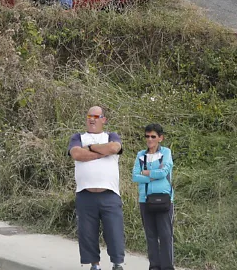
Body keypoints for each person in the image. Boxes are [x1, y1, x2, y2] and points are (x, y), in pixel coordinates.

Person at [68, 106, 125, 270]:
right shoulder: (78, 137)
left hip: (110, 194)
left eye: (96, 116)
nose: (92, 119)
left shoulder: (111, 136)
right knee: (87, 233)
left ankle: (117, 263)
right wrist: (102, 151)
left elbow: (114, 148)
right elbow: (77, 154)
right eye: (89, 116)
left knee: (114, 231)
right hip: (85, 195)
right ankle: (95, 265)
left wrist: (91, 148)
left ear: (103, 119)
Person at [133, 123, 174, 270]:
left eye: (153, 136)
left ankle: (167, 267)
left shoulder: (166, 153)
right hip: (145, 200)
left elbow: (164, 172)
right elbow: (135, 176)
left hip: (164, 199)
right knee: (150, 236)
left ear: (160, 138)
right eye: (147, 136)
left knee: (165, 236)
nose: (149, 139)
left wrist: (147, 173)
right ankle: (154, 266)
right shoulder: (141, 155)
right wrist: (153, 175)